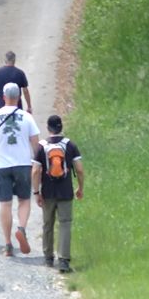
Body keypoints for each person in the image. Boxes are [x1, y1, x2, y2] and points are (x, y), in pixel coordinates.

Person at [0, 82, 40, 257]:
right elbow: (35, 142)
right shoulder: (27, 117)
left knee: (5, 204)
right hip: (23, 163)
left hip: (1, 165)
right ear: (19, 97)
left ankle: (8, 244)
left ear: (3, 97)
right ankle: (21, 228)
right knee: (24, 200)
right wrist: (38, 163)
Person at [32, 114, 85, 273]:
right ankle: (63, 261)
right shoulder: (70, 145)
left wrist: (36, 192)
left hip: (47, 192)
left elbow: (35, 171)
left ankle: (48, 257)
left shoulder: (41, 146)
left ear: (48, 128)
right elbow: (79, 169)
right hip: (65, 191)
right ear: (61, 127)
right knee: (65, 224)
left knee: (48, 223)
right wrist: (80, 187)